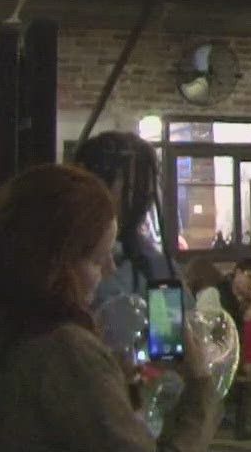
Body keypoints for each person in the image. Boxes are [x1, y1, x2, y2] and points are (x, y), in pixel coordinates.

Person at [0, 163, 220, 452]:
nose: (110, 270)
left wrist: (114, 388)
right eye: (98, 259)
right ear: (55, 264)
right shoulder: (66, 350)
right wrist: (199, 386)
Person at [73, 132, 179, 354]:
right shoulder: (59, 257)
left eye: (146, 183)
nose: (146, 193)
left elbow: (167, 351)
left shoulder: (156, 268)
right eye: (132, 183)